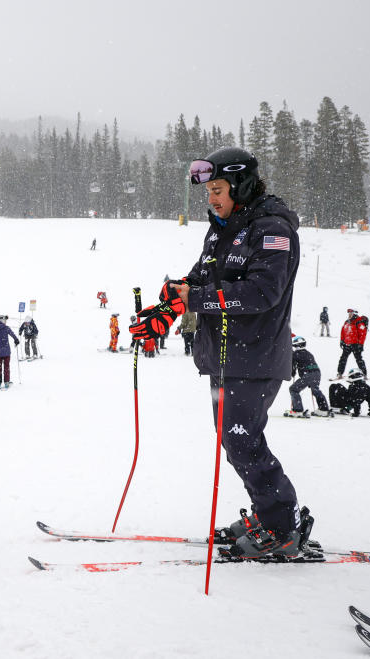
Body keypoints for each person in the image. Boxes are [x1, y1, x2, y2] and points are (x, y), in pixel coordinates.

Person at [130, 146, 308, 560]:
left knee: (243, 441)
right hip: (226, 356)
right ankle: (269, 516)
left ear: (241, 185)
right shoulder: (222, 227)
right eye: (209, 191)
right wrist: (169, 303)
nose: (211, 199)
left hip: (256, 355)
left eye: (218, 189)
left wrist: (196, 300)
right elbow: (201, 275)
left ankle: (282, 527)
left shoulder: (272, 229)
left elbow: (263, 292)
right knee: (235, 442)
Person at [286, 336, 330, 417]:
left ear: (296, 346)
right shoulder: (309, 353)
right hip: (317, 373)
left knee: (293, 389)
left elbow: (292, 367)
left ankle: (297, 410)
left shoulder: (295, 354)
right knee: (315, 390)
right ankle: (324, 409)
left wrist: (292, 373)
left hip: (308, 374)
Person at [337, 308, 368, 378]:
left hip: (356, 345)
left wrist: (360, 344)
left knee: (359, 359)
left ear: (355, 314)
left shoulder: (359, 322)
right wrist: (342, 341)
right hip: (347, 344)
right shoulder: (346, 322)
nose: (349, 314)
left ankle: (364, 374)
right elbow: (343, 332)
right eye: (349, 313)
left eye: (351, 313)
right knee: (343, 359)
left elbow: (363, 334)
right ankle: (340, 373)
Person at [0, 315, 20, 390]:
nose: (5, 321)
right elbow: (12, 334)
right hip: (6, 351)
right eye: (5, 320)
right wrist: (16, 340)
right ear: (2, 320)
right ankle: (6, 382)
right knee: (6, 367)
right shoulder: (6, 328)